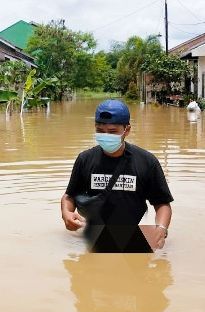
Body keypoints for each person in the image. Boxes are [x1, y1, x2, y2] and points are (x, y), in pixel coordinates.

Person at [61, 99, 174, 253]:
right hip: (94, 237)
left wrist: (161, 229)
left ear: (126, 130)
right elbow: (69, 197)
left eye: (112, 131)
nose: (105, 135)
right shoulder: (85, 159)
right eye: (100, 130)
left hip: (134, 235)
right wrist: (66, 213)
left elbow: (162, 204)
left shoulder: (147, 162)